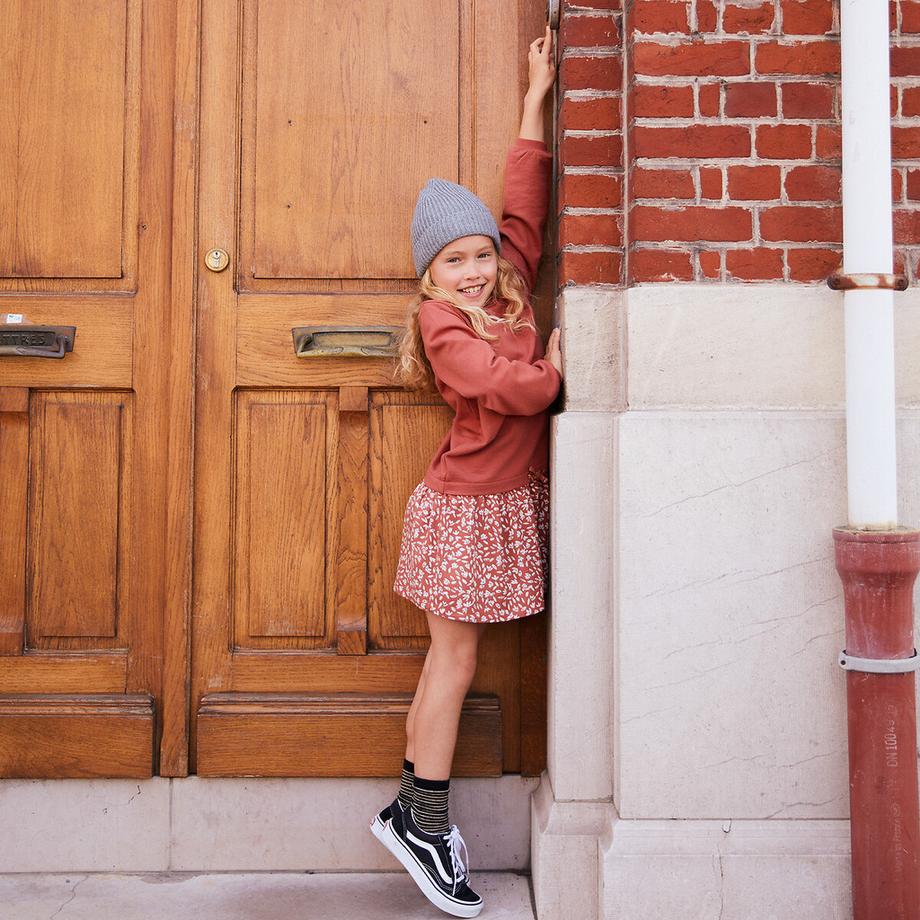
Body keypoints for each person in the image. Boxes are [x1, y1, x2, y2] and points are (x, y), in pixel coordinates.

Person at [370, 26, 562, 919]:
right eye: (457, 262)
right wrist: (554, 378)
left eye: (482, 254)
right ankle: (423, 822)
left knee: (447, 662)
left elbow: (524, 207)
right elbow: (500, 386)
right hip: (461, 512)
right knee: (453, 662)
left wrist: (536, 99)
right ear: (430, 277)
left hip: (493, 508)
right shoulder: (442, 328)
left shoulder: (509, 282)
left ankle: (414, 812)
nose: (478, 270)